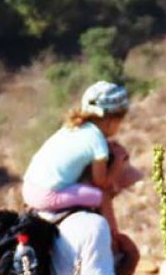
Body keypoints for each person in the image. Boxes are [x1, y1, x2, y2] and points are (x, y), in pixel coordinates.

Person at [21, 81, 130, 235]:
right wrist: (119, 161)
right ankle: (113, 240)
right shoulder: (97, 140)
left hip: (29, 188)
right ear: (113, 120)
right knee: (102, 196)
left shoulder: (74, 127)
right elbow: (102, 182)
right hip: (47, 196)